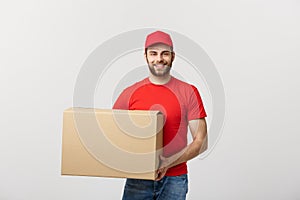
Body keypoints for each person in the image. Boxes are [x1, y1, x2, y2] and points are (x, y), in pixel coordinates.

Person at [113, 30, 208, 200]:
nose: (159, 59)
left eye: (165, 53)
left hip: (175, 179)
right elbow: (113, 134)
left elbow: (201, 142)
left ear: (173, 56)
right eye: (153, 53)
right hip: (138, 179)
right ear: (146, 56)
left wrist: (167, 162)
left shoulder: (189, 92)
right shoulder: (130, 93)